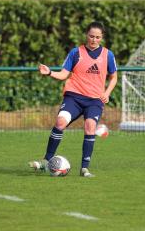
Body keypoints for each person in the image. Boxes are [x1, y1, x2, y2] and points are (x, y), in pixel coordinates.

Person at [29, 21, 118, 177]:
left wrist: (107, 92)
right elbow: (64, 74)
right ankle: (46, 161)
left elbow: (114, 77)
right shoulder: (76, 52)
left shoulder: (108, 55)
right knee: (60, 122)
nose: (94, 40)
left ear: (102, 38)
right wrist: (49, 72)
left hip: (94, 100)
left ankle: (84, 169)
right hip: (74, 97)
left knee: (90, 126)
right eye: (91, 36)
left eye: (98, 37)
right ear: (86, 35)